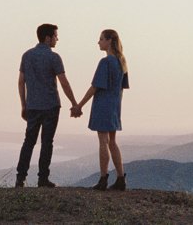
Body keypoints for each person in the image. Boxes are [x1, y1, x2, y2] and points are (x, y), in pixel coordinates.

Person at [15, 23, 81, 188]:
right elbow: (64, 82)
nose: (57, 39)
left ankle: (20, 179)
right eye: (55, 36)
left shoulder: (26, 56)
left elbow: (21, 82)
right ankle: (43, 178)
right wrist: (74, 103)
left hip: (32, 105)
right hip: (50, 105)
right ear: (47, 38)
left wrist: (23, 105)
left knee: (28, 142)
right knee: (47, 142)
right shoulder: (54, 57)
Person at [75, 28, 129, 191]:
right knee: (112, 142)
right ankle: (120, 178)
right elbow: (122, 88)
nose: (98, 42)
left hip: (103, 105)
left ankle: (103, 179)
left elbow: (95, 87)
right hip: (114, 105)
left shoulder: (105, 62)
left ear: (109, 41)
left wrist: (79, 105)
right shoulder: (122, 62)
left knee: (103, 142)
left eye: (100, 39)